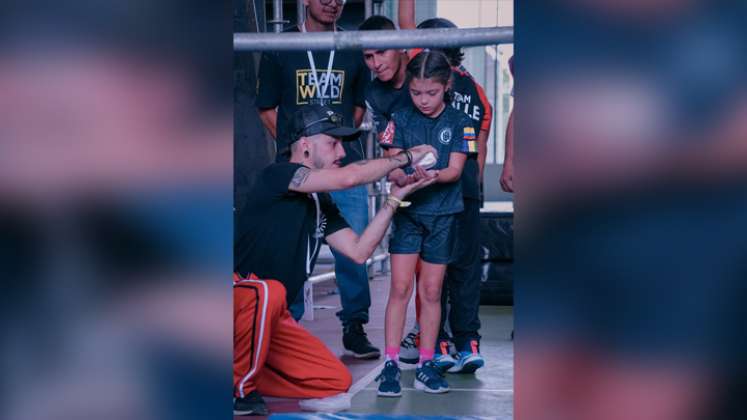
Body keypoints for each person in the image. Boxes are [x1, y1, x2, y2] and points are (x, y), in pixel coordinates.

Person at [234, 105, 439, 415]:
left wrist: (395, 198)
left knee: (334, 380)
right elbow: (348, 178)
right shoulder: (277, 175)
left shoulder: (318, 200)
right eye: (332, 143)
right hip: (238, 302)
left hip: (273, 317)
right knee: (269, 290)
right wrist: (406, 157)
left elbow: (359, 251)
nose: (341, 151)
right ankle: (239, 390)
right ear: (305, 145)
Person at [255, 0, 379, 359]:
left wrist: (332, 146)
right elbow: (266, 107)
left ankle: (354, 326)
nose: (332, 2)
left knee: (353, 250)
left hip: (342, 166)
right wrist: (301, 148)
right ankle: (284, 326)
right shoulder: (281, 46)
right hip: (297, 172)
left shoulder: (352, 48)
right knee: (290, 249)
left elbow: (357, 107)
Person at [375, 51, 477, 397]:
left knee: (432, 292)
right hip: (407, 215)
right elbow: (392, 164)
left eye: (431, 93)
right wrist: (405, 175)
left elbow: (455, 171)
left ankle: (426, 364)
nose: (423, 100)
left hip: (444, 217)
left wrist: (430, 176)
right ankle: (389, 365)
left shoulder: (461, 121)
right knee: (400, 288)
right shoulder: (399, 118)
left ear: (446, 87)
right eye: (417, 93)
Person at [397, 5, 493, 373]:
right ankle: (468, 341)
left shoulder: (430, 70)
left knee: (433, 272)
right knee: (465, 270)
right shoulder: (478, 90)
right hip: (467, 187)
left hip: (435, 191)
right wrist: (475, 189)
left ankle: (437, 343)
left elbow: (406, 28)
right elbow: (480, 150)